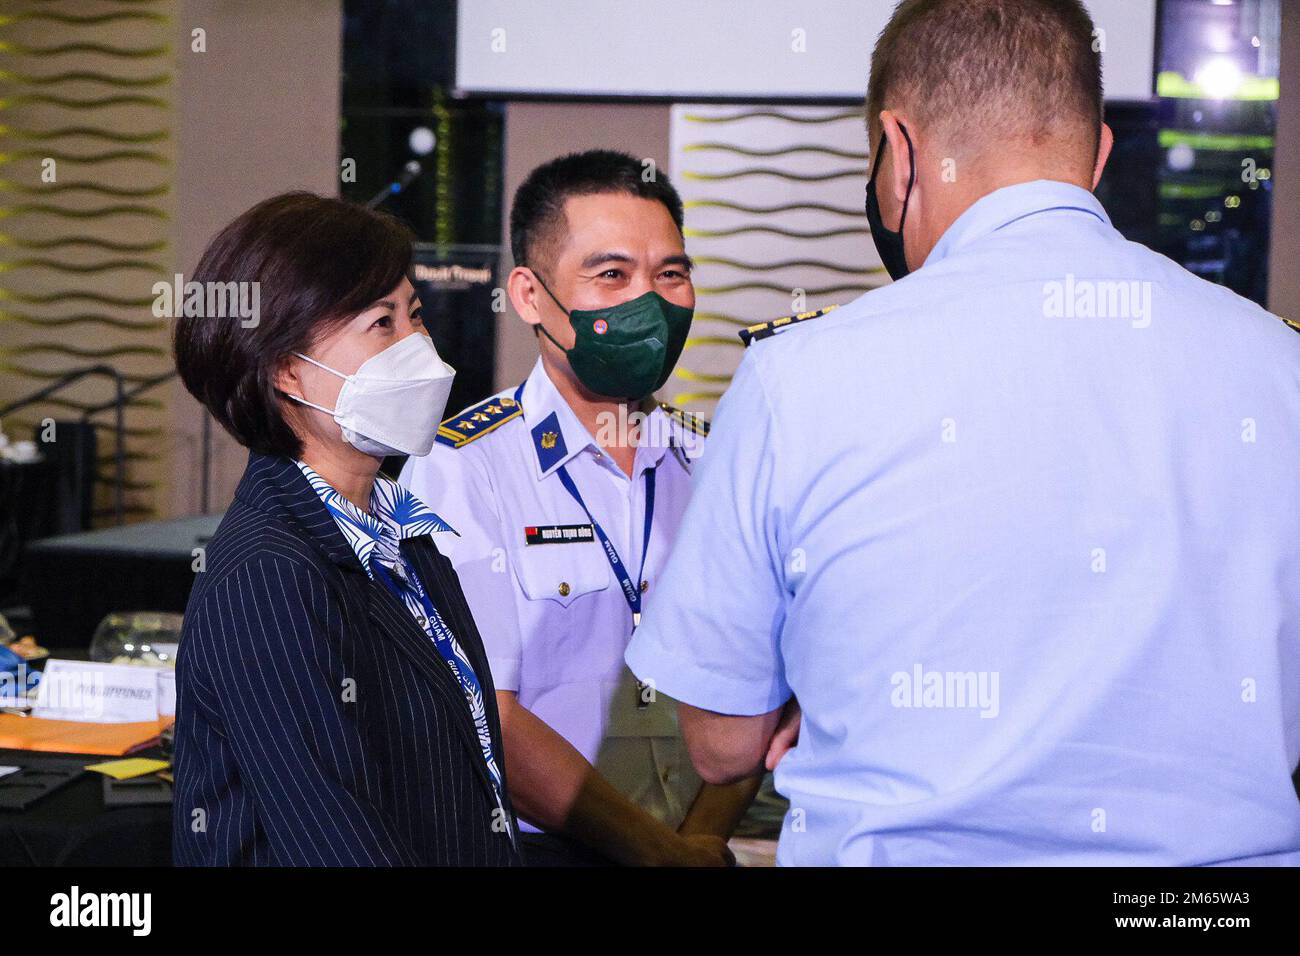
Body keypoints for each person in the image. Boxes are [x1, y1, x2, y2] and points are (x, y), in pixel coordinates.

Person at [625, 0, 1300, 866]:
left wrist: (821, 691)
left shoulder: (800, 379)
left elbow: (722, 744)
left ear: (898, 151)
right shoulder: (1277, 369)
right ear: (1097, 154)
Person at [402, 150, 761, 866]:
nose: (649, 301)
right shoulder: (459, 471)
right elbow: (487, 713)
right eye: (612, 274)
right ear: (531, 297)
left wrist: (702, 839)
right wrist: (656, 853)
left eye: (671, 274)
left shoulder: (719, 461)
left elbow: (755, 677)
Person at [171, 192, 520, 866]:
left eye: (415, 315)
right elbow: (335, 839)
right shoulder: (270, 573)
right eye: (381, 324)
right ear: (287, 369)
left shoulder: (404, 535)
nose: (417, 346)